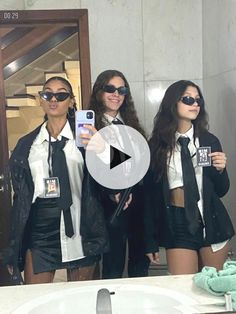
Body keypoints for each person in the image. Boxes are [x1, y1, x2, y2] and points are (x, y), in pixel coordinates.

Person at [3, 76, 109, 284]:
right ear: (41, 100)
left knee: (81, 301)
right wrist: (14, 247)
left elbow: (122, 169)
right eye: (47, 94)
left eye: (61, 95)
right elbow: (21, 200)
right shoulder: (27, 145)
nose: (54, 99)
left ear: (70, 101)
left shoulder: (87, 137)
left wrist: (104, 149)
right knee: (36, 298)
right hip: (40, 229)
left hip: (81, 226)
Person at [144, 80, 235, 275]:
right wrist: (149, 240)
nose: (195, 104)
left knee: (214, 287)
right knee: (183, 288)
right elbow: (150, 197)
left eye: (197, 100)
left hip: (211, 220)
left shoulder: (209, 140)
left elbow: (221, 190)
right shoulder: (157, 146)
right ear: (173, 103)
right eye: (187, 99)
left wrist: (220, 170)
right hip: (177, 222)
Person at [88, 69, 150, 279]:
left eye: (121, 90)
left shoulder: (132, 126)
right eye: (110, 89)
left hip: (138, 202)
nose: (116, 94)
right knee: (112, 266)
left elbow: (137, 163)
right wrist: (112, 190)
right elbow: (90, 168)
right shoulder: (91, 127)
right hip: (109, 205)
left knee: (140, 264)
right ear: (99, 91)